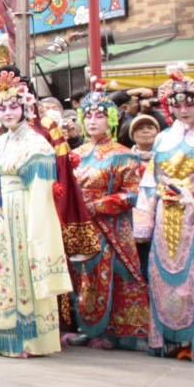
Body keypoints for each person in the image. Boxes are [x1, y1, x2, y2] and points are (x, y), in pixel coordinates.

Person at [0, 72, 71, 356]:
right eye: (2, 108)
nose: (8, 113)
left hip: (23, 214)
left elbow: (40, 193)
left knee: (21, 270)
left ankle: (26, 338)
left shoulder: (38, 145)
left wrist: (35, 230)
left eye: (14, 107)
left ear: (26, 108)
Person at [66, 86, 150, 350]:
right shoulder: (74, 155)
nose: (92, 121)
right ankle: (86, 328)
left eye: (99, 116)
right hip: (81, 227)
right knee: (82, 277)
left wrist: (100, 204)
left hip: (109, 227)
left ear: (111, 120)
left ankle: (109, 330)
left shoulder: (123, 155)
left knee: (107, 276)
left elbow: (133, 194)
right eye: (88, 116)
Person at [133, 68, 194, 362]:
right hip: (166, 217)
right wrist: (144, 223)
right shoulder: (164, 138)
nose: (183, 109)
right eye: (177, 104)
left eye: (190, 102)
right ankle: (171, 341)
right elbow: (150, 181)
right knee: (162, 279)